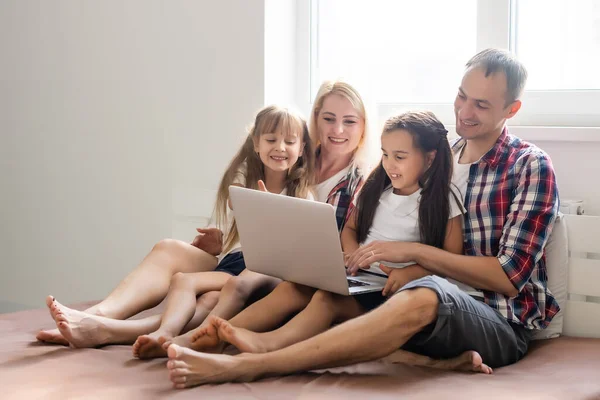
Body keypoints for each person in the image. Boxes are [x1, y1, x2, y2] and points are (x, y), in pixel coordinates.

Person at [164, 48, 561, 389]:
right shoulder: (433, 155)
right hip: (407, 294)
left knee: (425, 295)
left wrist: (412, 255)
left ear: (512, 109)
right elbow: (368, 215)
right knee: (330, 292)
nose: (465, 111)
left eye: (482, 104)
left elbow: (508, 278)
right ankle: (203, 340)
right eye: (461, 96)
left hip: (497, 318)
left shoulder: (528, 166)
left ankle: (249, 365)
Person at [43, 105, 315, 356]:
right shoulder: (244, 177)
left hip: (263, 270)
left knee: (210, 298)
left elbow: (290, 249)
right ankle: (97, 316)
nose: (280, 148)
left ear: (302, 148)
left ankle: (111, 330)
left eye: (289, 142)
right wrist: (217, 239)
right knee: (172, 258)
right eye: (271, 140)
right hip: (232, 260)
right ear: (256, 142)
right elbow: (235, 214)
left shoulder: (303, 194)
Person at [196, 111, 466, 358]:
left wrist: (410, 273)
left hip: (392, 292)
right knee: (293, 287)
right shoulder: (376, 188)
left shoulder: (442, 201)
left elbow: (451, 261)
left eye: (399, 157)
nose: (389, 164)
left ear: (429, 158)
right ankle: (215, 333)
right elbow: (349, 229)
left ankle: (268, 344)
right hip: (359, 278)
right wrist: (349, 254)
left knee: (325, 301)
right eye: (385, 154)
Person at [160, 80, 372, 351]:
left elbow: (341, 246)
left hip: (294, 275)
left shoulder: (362, 182)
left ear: (364, 126)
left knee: (232, 289)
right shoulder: (297, 165)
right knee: (208, 294)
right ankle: (163, 334)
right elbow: (240, 219)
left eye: (350, 121)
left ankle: (188, 338)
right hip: (254, 261)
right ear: (315, 120)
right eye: (328, 118)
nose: (338, 129)